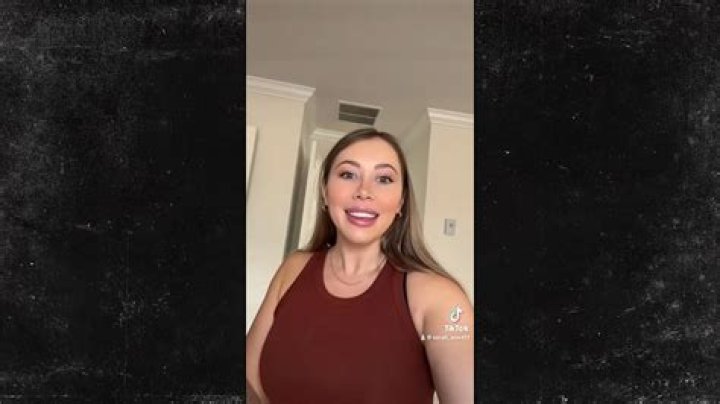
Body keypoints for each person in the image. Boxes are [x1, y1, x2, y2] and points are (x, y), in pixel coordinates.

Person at [246, 128, 473, 403]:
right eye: (348, 174)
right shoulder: (293, 268)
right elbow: (250, 381)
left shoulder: (440, 298)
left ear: (401, 202)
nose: (364, 191)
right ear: (325, 192)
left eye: (384, 179)